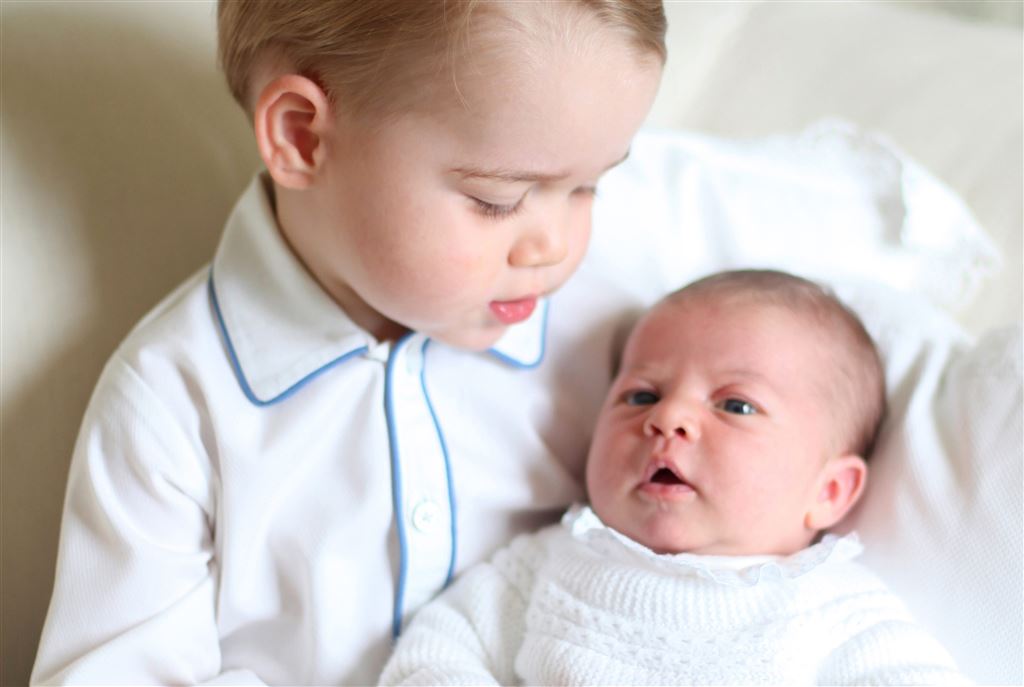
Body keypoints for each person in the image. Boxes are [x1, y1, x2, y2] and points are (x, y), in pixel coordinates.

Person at [30, 2, 665, 685]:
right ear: (302, 137)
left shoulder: (618, 331)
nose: (555, 245)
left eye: (589, 187)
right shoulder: (173, 406)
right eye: (497, 199)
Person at [379, 270, 967, 686]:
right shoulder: (549, 564)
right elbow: (433, 654)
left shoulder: (833, 610)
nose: (667, 418)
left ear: (828, 491)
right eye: (642, 395)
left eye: (735, 405)